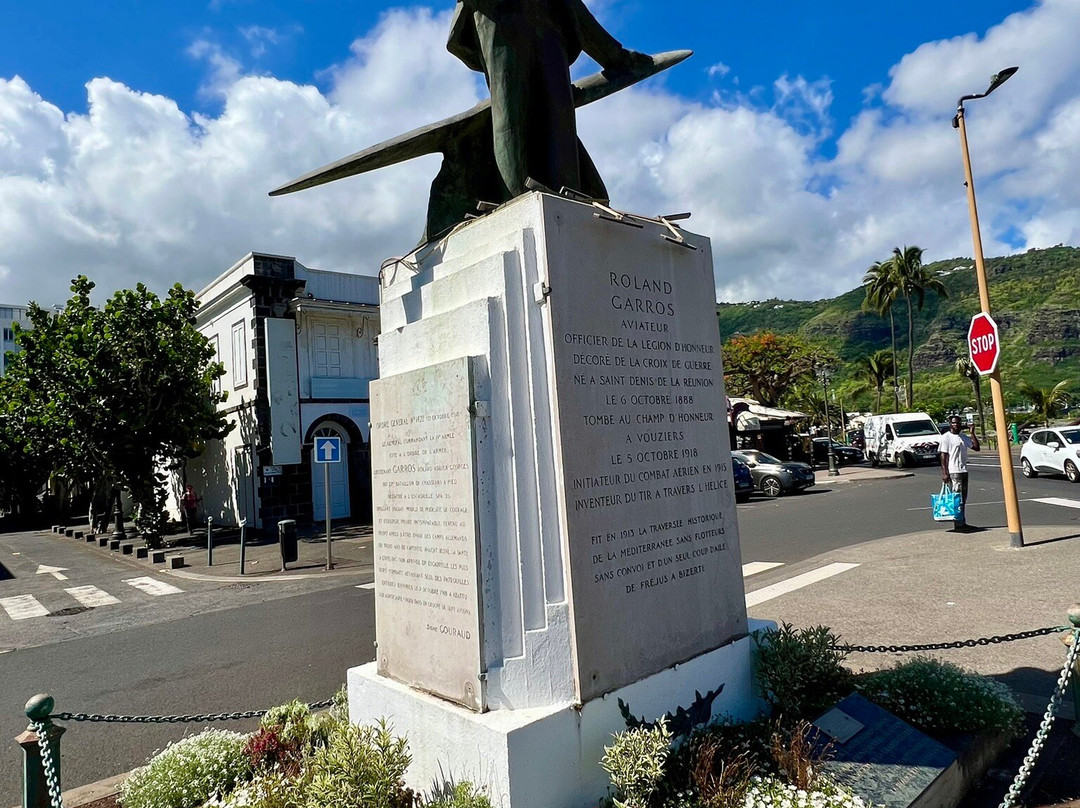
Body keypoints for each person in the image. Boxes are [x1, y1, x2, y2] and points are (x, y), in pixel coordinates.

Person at [447, 0, 653, 201]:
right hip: (496, 16)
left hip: (543, 23)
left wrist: (614, 56)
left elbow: (571, 7)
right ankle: (516, 201)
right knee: (511, 120)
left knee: (557, 116)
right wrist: (615, 56)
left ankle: (568, 199)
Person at [939, 415, 980, 530]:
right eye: (953, 423)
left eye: (958, 423)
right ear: (950, 424)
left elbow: (976, 447)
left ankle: (962, 521)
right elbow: (943, 456)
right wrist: (944, 472)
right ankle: (958, 524)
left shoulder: (962, 437)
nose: (956, 425)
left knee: (963, 498)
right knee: (957, 498)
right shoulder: (946, 437)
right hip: (954, 471)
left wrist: (972, 433)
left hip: (963, 470)